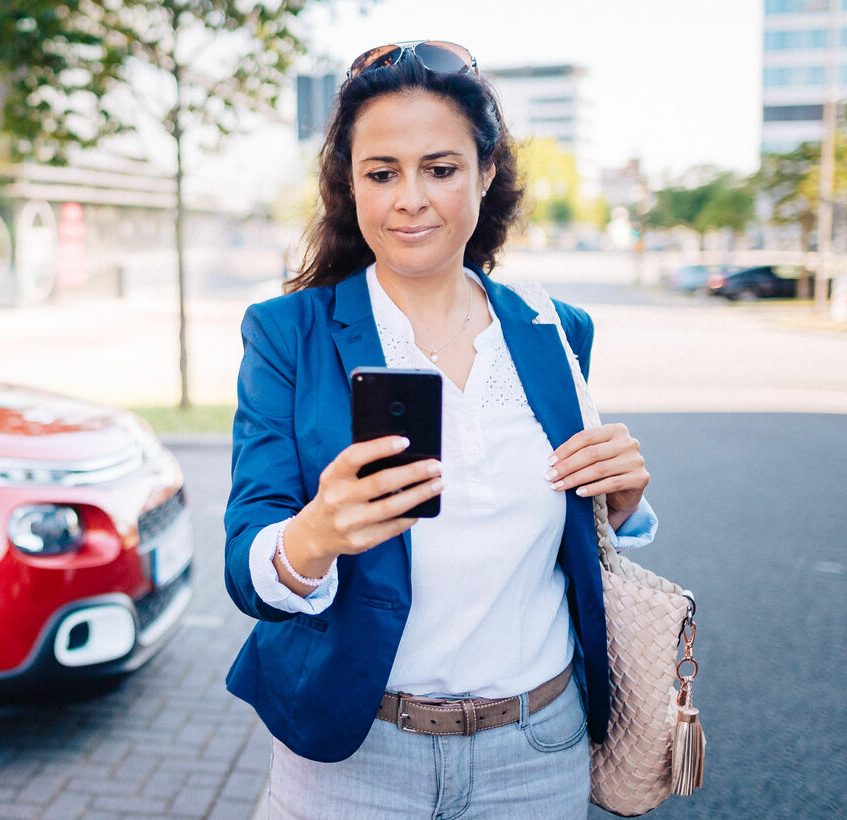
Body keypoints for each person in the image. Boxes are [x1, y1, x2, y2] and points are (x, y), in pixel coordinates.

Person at [222, 40, 660, 818]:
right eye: (381, 173)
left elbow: (580, 527)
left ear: (487, 174)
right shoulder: (288, 332)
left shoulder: (555, 330)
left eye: (441, 167)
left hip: (537, 750)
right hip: (354, 755)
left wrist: (622, 501)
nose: (410, 199)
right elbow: (246, 560)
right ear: (350, 185)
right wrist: (315, 535)